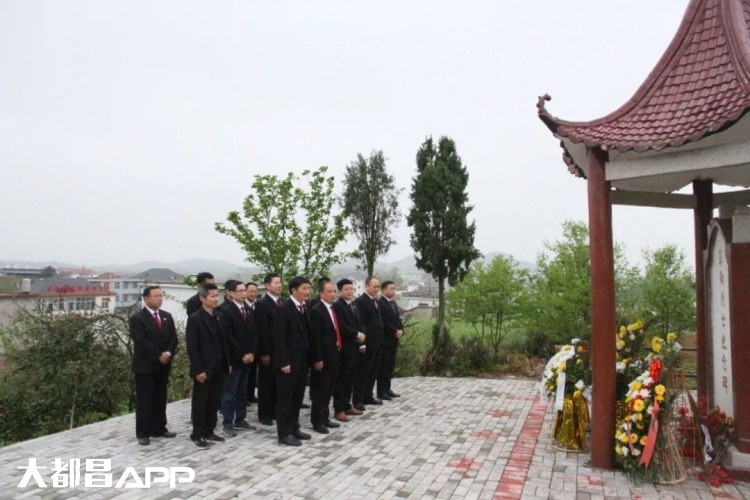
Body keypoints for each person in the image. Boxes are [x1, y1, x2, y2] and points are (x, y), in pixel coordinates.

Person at [129, 286, 178, 446]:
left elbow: (173, 339)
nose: (159, 298)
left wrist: (168, 354)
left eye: (161, 295)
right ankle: (143, 432)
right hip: (145, 366)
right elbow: (141, 341)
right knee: (145, 399)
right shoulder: (138, 318)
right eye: (156, 296)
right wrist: (158, 355)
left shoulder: (166, 316)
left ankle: (159, 427)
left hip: (163, 366)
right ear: (146, 299)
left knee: (160, 397)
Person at [186, 283, 231, 449]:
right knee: (200, 402)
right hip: (203, 368)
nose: (215, 299)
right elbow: (193, 346)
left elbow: (224, 342)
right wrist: (198, 369)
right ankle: (197, 434)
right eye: (212, 296)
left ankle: (209, 430)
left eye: (216, 296)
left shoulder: (219, 316)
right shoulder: (195, 318)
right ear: (202, 298)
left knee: (214, 401)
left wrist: (228, 363)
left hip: (219, 367)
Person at [274, 276, 313, 446]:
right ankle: (284, 433)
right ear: (294, 290)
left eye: (309, 288)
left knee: (297, 397)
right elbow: (279, 339)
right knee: (285, 399)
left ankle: (294, 426)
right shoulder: (284, 309)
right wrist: (284, 362)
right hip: (288, 363)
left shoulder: (304, 308)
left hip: (302, 361)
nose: (308, 292)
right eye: (304, 288)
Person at [218, 280, 257, 437]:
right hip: (235, 359)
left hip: (248, 358)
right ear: (231, 293)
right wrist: (242, 354)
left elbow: (255, 333)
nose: (243, 293)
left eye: (244, 290)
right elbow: (228, 337)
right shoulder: (226, 311)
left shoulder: (249, 309)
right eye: (240, 290)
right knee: (230, 392)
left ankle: (240, 419)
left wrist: (252, 352)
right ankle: (227, 422)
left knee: (242, 391)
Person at [308, 280, 342, 434]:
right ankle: (317, 421)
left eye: (334, 291)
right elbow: (315, 338)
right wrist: (317, 358)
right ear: (321, 293)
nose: (333, 294)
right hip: (322, 357)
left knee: (329, 389)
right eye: (329, 292)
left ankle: (325, 417)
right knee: (320, 390)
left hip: (334, 354)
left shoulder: (332, 308)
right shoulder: (316, 310)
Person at [332, 279, 366, 422]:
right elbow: (342, 326)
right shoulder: (337, 306)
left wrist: (362, 343)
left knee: (351, 378)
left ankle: (347, 405)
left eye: (351, 289)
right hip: (344, 348)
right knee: (342, 380)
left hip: (355, 347)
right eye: (346, 289)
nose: (350, 291)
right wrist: (357, 335)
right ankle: (338, 409)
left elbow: (360, 323)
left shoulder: (354, 304)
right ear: (340, 291)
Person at [255, 273, 283, 426]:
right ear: (267, 286)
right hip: (268, 350)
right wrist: (264, 352)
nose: (279, 285)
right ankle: (264, 413)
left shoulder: (282, 302)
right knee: (266, 383)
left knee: (277, 383)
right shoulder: (262, 304)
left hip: (280, 350)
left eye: (280, 283)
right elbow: (262, 330)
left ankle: (273, 410)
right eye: (276, 283)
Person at [353, 277, 384, 411]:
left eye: (378, 287)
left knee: (373, 371)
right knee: (363, 372)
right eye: (374, 286)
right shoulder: (360, 301)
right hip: (367, 342)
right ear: (366, 286)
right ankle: (358, 399)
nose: (376, 289)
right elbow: (360, 322)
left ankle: (368, 395)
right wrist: (362, 343)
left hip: (377, 342)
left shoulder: (375, 301)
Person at [377, 280, 404, 400]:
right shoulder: (380, 303)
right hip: (386, 340)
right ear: (384, 290)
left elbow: (398, 319)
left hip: (394, 340)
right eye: (391, 288)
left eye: (394, 288)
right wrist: (394, 331)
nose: (393, 291)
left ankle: (388, 389)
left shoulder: (393, 303)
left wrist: (401, 330)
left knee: (390, 366)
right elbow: (383, 321)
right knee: (383, 366)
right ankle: (381, 391)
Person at [244, 282, 260, 404]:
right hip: (245, 348)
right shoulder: (243, 307)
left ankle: (250, 394)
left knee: (253, 372)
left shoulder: (258, 306)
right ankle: (244, 396)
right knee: (246, 373)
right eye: (250, 291)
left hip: (257, 346)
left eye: (255, 291)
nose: (253, 294)